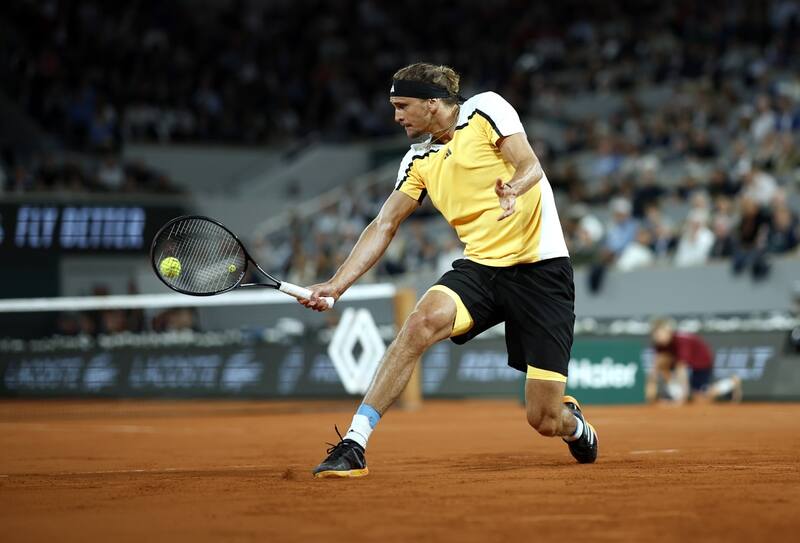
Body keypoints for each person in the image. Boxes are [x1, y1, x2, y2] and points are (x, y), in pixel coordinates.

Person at [300, 62, 597, 478]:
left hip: (541, 271)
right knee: (419, 322)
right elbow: (384, 224)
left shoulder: (486, 109)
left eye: (402, 105)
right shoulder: (417, 159)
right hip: (480, 269)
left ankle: (573, 424)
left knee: (543, 419)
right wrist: (336, 284)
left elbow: (530, 163)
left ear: (434, 103)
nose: (396, 116)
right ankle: (354, 443)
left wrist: (513, 188)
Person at [647, 318, 742, 404]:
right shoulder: (659, 344)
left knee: (700, 399)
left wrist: (682, 397)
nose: (657, 337)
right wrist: (650, 391)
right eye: (655, 335)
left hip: (701, 362)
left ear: (668, 331)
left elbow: (681, 369)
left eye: (660, 334)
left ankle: (731, 383)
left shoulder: (681, 341)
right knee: (663, 362)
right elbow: (656, 367)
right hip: (684, 364)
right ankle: (676, 394)